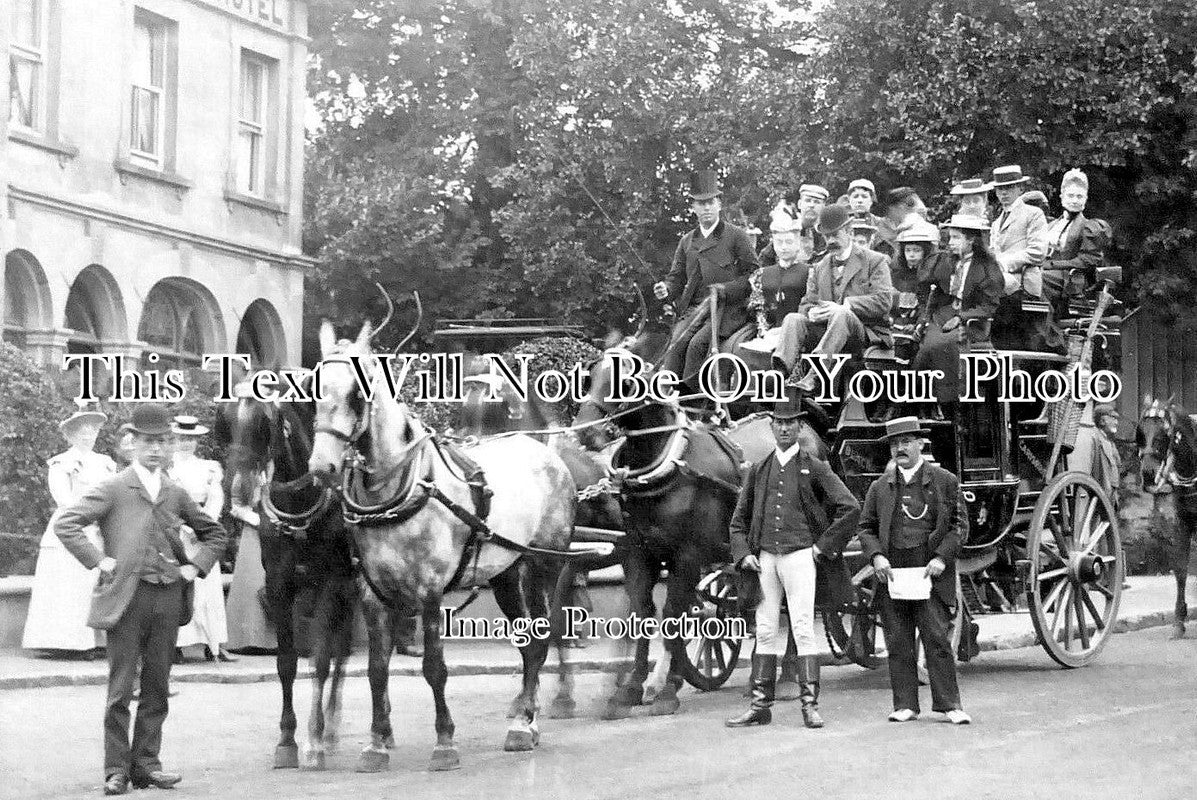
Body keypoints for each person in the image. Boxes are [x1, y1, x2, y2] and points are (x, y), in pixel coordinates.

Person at [55, 403, 228, 795]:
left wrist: (193, 567)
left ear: (169, 446)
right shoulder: (115, 487)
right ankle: (116, 770)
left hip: (167, 598)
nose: (155, 449)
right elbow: (67, 523)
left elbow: (215, 534)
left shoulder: (175, 492)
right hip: (126, 599)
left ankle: (147, 765)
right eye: (148, 441)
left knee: (157, 685)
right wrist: (98, 560)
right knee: (120, 689)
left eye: (162, 442)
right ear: (132, 444)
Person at [726, 388, 860, 728]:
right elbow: (739, 521)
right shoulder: (758, 470)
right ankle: (759, 706)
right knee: (766, 629)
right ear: (771, 427)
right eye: (779, 423)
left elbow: (849, 508)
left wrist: (821, 548)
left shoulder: (813, 467)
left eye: (791, 424)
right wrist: (743, 554)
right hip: (766, 560)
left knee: (802, 628)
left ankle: (809, 706)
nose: (784, 429)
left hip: (801, 557)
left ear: (800, 427)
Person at [858, 417, 971, 725]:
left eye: (906, 442)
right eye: (895, 444)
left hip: (929, 571)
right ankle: (905, 704)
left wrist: (941, 558)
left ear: (921, 444)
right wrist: (877, 557)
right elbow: (865, 527)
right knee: (898, 641)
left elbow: (961, 526)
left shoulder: (944, 481)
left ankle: (950, 705)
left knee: (936, 638)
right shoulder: (879, 487)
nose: (900, 449)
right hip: (893, 571)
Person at [22, 406, 117, 655]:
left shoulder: (105, 463)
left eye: (92, 431)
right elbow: (64, 498)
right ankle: (66, 642)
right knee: (69, 585)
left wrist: (105, 518)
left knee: (93, 584)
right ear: (71, 435)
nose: (88, 436)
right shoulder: (61, 463)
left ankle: (95, 641)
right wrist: (87, 517)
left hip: (98, 529)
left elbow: (113, 495)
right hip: (71, 527)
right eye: (82, 432)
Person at [655, 170, 760, 386]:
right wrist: (666, 289)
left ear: (719, 204)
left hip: (726, 310)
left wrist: (724, 289)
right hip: (694, 311)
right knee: (675, 343)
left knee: (697, 345)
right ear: (693, 207)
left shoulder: (736, 236)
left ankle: (693, 401)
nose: (706, 208)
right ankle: (667, 396)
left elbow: (754, 275)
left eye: (710, 202)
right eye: (700, 203)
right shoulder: (687, 241)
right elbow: (676, 277)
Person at [775, 204, 894, 391]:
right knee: (793, 319)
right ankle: (780, 373)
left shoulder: (874, 261)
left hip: (864, 332)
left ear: (849, 232)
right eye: (826, 236)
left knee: (840, 314)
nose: (830, 241)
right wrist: (812, 312)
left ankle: (815, 375)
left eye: (835, 235)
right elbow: (806, 304)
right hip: (828, 333)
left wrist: (847, 305)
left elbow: (883, 302)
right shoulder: (820, 266)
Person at [912, 214, 1005, 409]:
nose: (950, 243)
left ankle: (947, 401)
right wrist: (923, 319)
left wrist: (961, 318)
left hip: (973, 320)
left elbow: (989, 306)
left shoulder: (987, 267)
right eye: (949, 237)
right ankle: (921, 399)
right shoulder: (943, 261)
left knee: (937, 345)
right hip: (942, 315)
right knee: (920, 345)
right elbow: (929, 294)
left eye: (956, 238)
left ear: (971, 240)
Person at [169, 415, 236, 663]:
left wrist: (204, 526)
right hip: (175, 531)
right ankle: (174, 644)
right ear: (174, 439)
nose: (186, 444)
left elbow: (216, 498)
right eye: (182, 439)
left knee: (208, 586)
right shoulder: (167, 467)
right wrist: (181, 527)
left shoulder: (208, 467)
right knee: (179, 585)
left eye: (192, 439)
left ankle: (214, 644)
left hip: (203, 530)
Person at [730, 208, 814, 368]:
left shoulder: (810, 272)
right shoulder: (761, 274)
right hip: (767, 333)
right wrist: (764, 331)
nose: (784, 247)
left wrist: (786, 332)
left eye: (789, 242)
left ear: (798, 244)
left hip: (799, 333)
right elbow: (758, 307)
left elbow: (810, 305)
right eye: (779, 242)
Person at [1042, 168, 1112, 316]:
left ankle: (1047, 328)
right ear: (1061, 197)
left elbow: (1086, 261)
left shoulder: (1089, 227)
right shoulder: (1051, 225)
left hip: (1071, 280)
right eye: (1071, 195)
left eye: (1079, 197)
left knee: (1036, 279)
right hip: (1046, 272)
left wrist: (1051, 265)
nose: (1075, 200)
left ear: (1085, 199)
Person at [1090, 404, 1122, 507]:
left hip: (1110, 494)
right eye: (1112, 418)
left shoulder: (1108, 440)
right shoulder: (1097, 439)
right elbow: (1102, 472)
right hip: (1102, 495)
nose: (1116, 422)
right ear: (1102, 421)